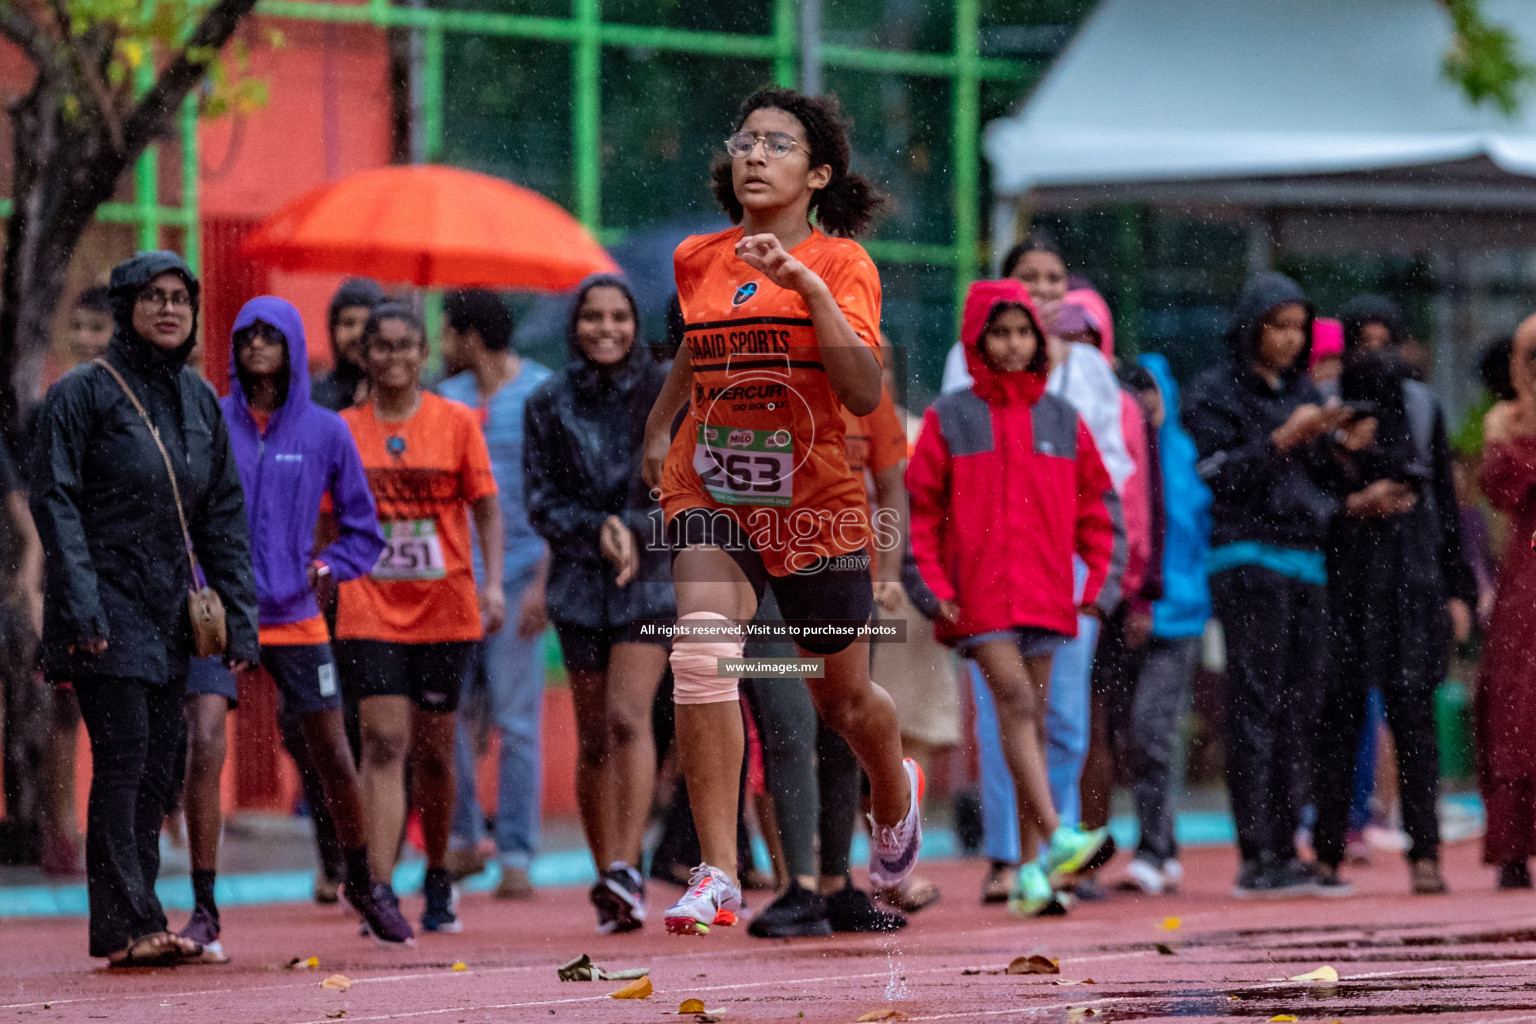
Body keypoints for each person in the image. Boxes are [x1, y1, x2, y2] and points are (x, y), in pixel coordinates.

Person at [640, 86, 922, 936]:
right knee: (701, 651)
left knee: (846, 704)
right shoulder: (699, 257)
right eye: (746, 141)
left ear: (819, 172)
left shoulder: (844, 264)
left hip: (814, 501)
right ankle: (719, 870)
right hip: (713, 487)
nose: (756, 155)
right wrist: (660, 427)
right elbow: (701, 344)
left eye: (778, 144)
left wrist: (807, 286)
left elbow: (864, 390)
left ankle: (896, 792)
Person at [30, 250, 258, 965]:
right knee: (126, 755)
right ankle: (127, 924)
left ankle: (140, 920)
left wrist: (240, 618)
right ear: (127, 307)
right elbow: (56, 501)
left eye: (181, 299)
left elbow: (221, 511)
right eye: (153, 297)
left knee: (163, 763)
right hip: (101, 603)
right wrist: (83, 603)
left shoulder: (198, 402)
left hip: (169, 612)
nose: (169, 310)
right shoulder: (82, 394)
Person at [907, 278, 1122, 916]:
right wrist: (933, 589)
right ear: (977, 338)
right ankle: (1057, 837)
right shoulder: (951, 417)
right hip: (977, 599)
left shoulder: (1063, 420)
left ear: (1039, 340)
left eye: (1023, 331)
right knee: (1019, 705)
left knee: (1019, 724)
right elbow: (920, 514)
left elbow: (1100, 510)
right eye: (998, 332)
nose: (1011, 343)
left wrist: (1098, 586)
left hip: (1048, 596)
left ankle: (1029, 871)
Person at [218, 296, 413, 945]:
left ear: (296, 346)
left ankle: (363, 882)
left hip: (298, 617)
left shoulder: (327, 431)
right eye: (248, 335)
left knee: (332, 749)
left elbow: (364, 530)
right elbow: (185, 518)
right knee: (197, 745)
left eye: (272, 335)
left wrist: (324, 570)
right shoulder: (213, 424)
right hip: (222, 617)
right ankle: (198, 902)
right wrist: (202, 586)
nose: (257, 346)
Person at [1183, 271, 1365, 899]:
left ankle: (1289, 849)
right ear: (1252, 327)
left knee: (1301, 709)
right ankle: (1256, 854)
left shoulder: (1303, 394)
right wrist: (1285, 439)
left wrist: (1344, 448)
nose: (1290, 340)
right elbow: (1217, 474)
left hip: (1306, 564)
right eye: (1278, 326)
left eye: (1298, 328)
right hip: (1247, 562)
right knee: (1255, 706)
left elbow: (1321, 487)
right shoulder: (1214, 392)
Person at [334, 303, 505, 934]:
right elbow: (329, 519)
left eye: (408, 347)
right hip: (369, 604)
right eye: (383, 347)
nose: (395, 358)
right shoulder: (344, 430)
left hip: (445, 607)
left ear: (423, 352)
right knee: (382, 742)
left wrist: (492, 588)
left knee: (434, 754)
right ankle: (378, 889)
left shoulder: (457, 422)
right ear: (366, 354)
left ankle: (436, 872)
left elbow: (486, 509)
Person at [1310, 297, 1476, 897]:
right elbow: (1312, 500)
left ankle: (1425, 854)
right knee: (1339, 722)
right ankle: (1328, 851)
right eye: (1362, 341)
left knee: (1415, 726)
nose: (1373, 355)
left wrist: (1459, 589)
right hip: (1346, 587)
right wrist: (1348, 466)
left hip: (1414, 586)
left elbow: (1445, 512)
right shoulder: (1324, 413)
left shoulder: (1424, 408)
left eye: (1385, 341)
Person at [523, 275, 672, 930]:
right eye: (592, 317)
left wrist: (634, 530)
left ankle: (627, 867)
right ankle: (606, 871)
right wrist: (595, 529)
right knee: (592, 741)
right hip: (581, 585)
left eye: (619, 316)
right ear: (574, 325)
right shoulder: (547, 402)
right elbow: (539, 501)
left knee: (625, 717)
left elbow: (687, 488)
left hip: (650, 579)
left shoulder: (667, 392)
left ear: (635, 325)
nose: (606, 328)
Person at [436, 289, 552, 900]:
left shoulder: (540, 392)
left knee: (517, 722)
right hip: (454, 582)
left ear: (469, 337)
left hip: (521, 575)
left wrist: (542, 585)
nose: (441, 345)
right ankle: (461, 839)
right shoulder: (445, 401)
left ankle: (516, 854)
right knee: (448, 715)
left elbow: (555, 495)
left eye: (446, 332)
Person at [1111, 354, 1211, 895]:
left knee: (1152, 729)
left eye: (1149, 390)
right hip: (1122, 614)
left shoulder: (1183, 455)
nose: (1143, 402)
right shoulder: (1118, 453)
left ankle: (1154, 849)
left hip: (1178, 618)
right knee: (1129, 736)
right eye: (1130, 393)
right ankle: (1160, 845)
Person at [1476, 313, 1536, 890]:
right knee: (1516, 701)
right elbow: (1501, 490)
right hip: (1526, 576)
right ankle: (1514, 846)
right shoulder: (1504, 423)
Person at [312, 278, 387, 413]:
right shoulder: (313, 395)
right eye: (348, 323)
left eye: (367, 324)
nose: (357, 333)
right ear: (333, 330)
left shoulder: (404, 396)